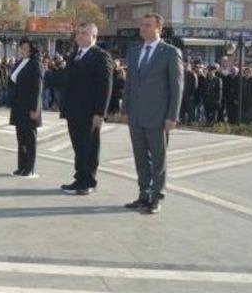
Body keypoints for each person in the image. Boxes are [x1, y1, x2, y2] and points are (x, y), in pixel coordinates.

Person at [122, 14, 183, 214]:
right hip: (136, 115)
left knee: (158, 159)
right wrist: (125, 110)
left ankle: (156, 197)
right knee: (140, 157)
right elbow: (130, 84)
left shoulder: (170, 52)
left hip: (158, 116)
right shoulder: (134, 52)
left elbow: (177, 87)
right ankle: (144, 194)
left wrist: (172, 116)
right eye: (142, 24)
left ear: (159, 29)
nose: (143, 28)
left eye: (148, 25)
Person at [60, 22, 113, 196]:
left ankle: (89, 181)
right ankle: (79, 178)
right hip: (73, 110)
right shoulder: (74, 55)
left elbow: (104, 86)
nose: (80, 36)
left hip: (90, 112)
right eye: (78, 33)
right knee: (78, 147)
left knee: (90, 147)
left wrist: (100, 112)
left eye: (84, 33)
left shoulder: (100, 56)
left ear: (93, 36)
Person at [8, 38, 43, 178]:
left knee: (30, 139)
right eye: (22, 48)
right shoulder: (19, 63)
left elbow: (37, 88)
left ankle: (29, 168)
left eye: (26, 48)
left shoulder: (36, 64)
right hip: (18, 106)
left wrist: (35, 108)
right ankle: (21, 166)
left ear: (32, 50)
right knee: (21, 138)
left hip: (29, 107)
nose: (23, 50)